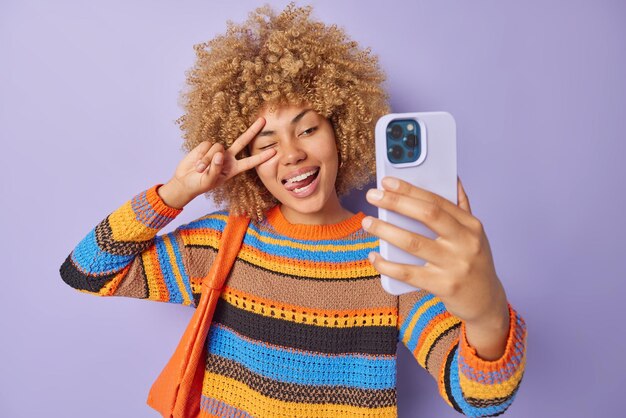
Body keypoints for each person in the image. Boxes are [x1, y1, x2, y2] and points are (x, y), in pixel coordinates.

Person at [59, 3, 527, 417]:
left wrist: (487, 314)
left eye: (307, 130)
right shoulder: (222, 241)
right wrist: (178, 192)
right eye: (267, 142)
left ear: (343, 131)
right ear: (248, 161)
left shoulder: (390, 258)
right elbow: (86, 271)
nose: (291, 154)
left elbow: (480, 400)